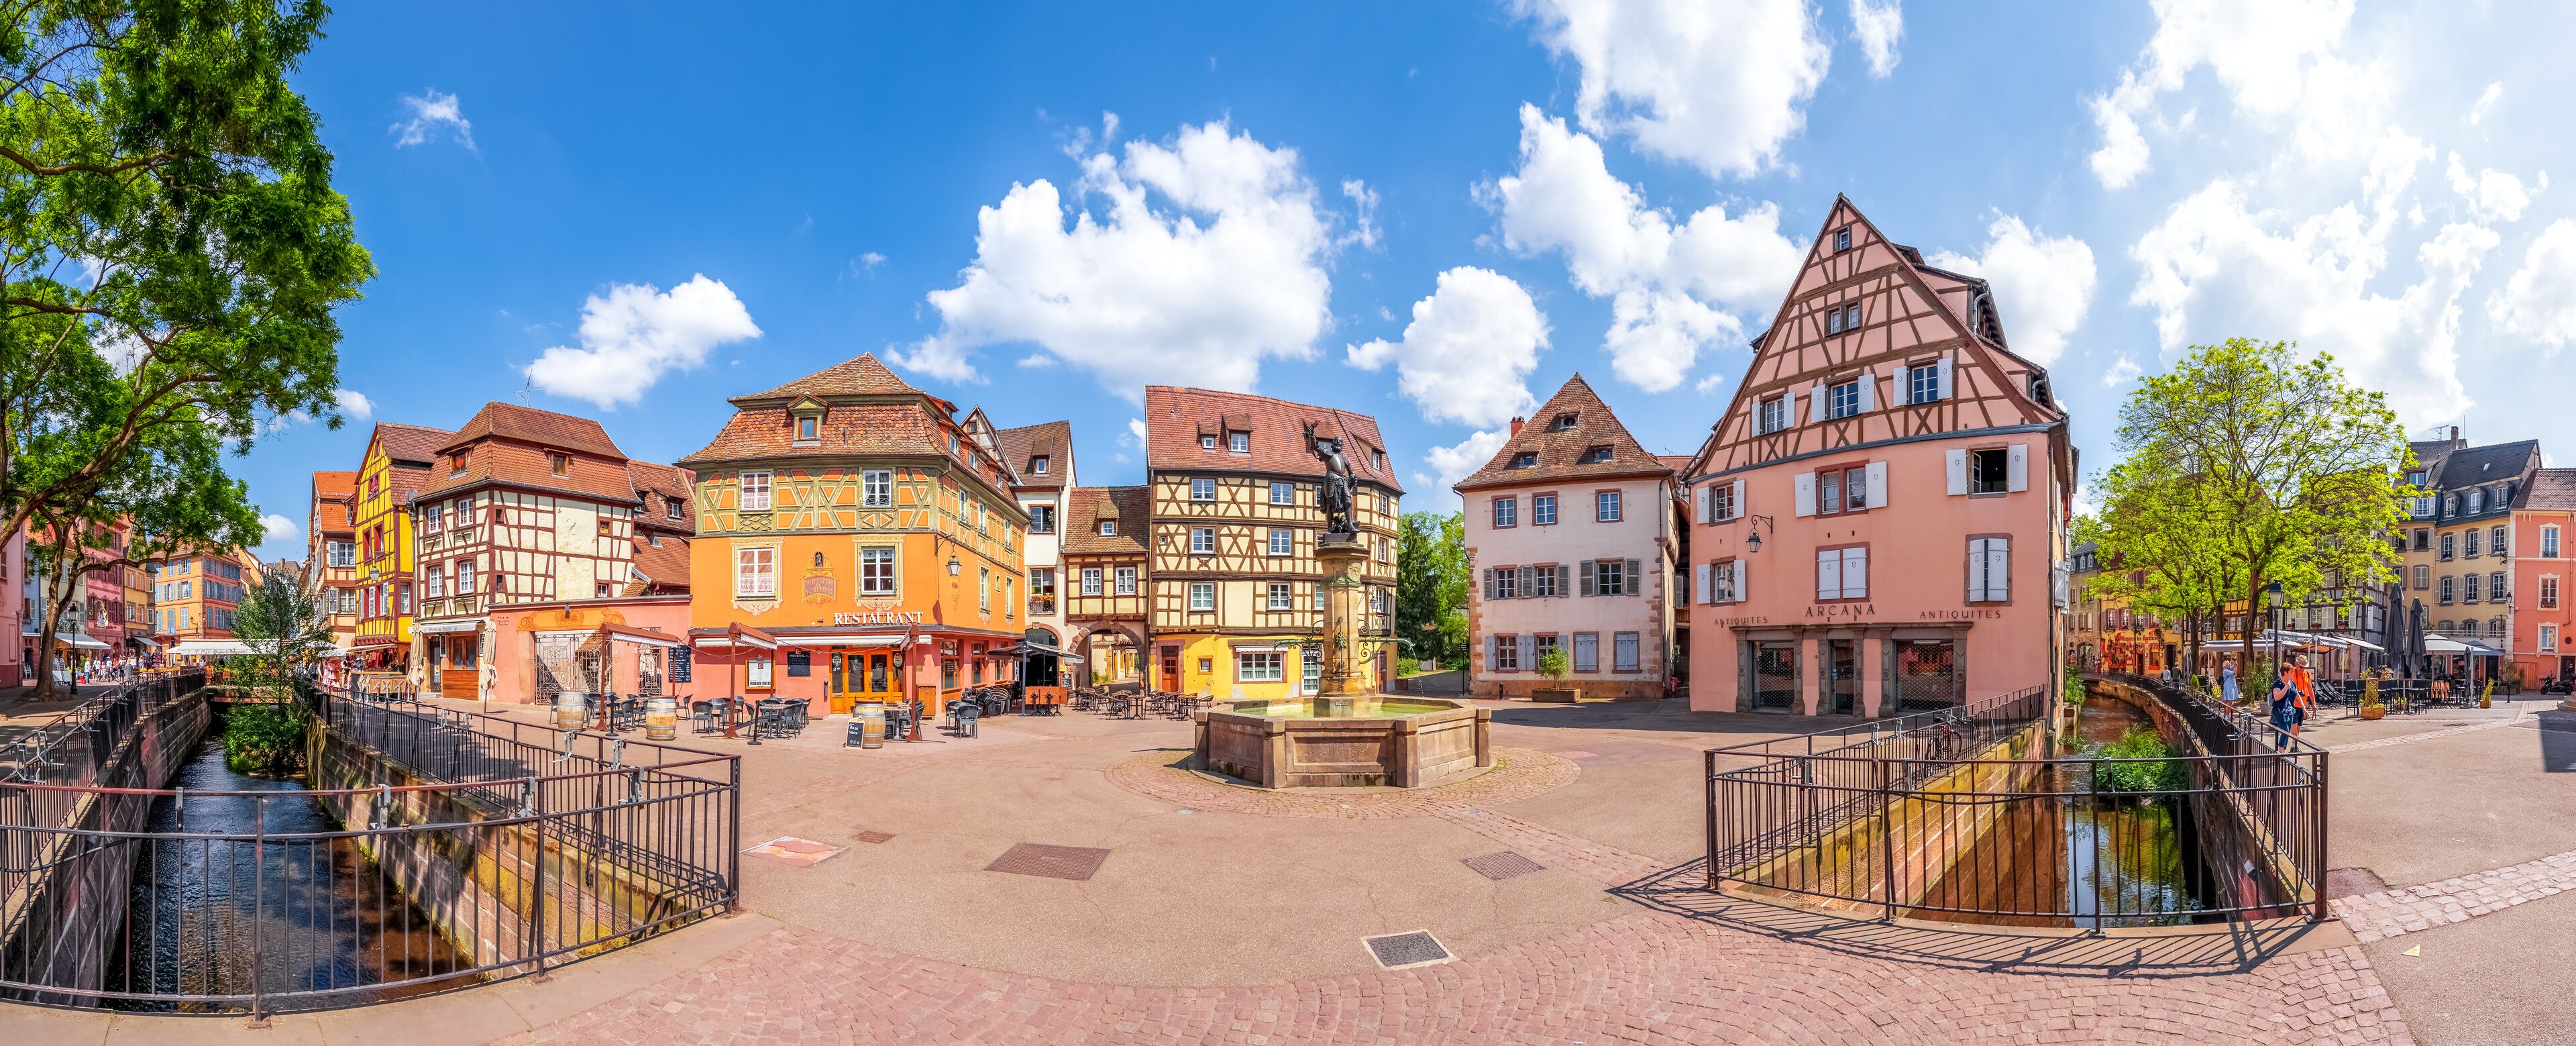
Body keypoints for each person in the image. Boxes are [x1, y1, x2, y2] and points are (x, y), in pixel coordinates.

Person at [2272, 653, 2317, 751]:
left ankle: (2292, 746)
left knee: (2296, 728)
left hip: (2296, 706)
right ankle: (2282, 752)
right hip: (2285, 709)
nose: (2302, 668)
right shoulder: (2285, 679)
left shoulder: (2305, 675)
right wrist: (2285, 688)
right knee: (2288, 730)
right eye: (2301, 666)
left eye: (2304, 666)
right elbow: (2277, 697)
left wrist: (2309, 705)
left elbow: (2305, 691)